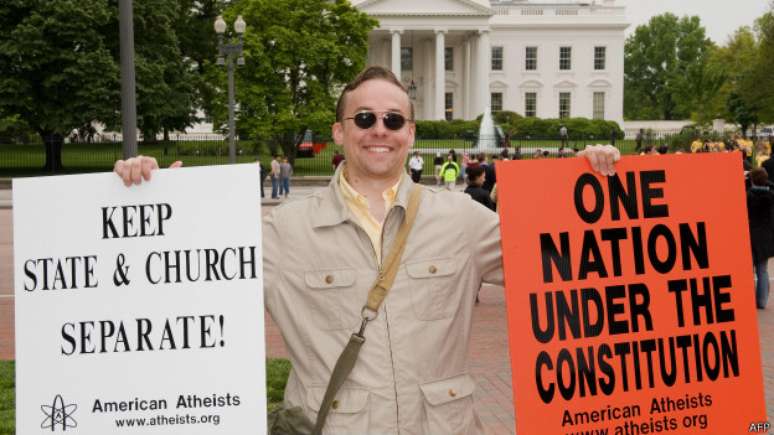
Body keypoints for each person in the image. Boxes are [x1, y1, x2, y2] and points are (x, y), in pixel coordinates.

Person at [112, 66, 620, 434]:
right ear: (340, 131)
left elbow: (572, 260)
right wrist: (152, 198)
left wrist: (586, 188)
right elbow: (174, 287)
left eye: (395, 121)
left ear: (411, 134)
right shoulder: (283, 232)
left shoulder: (462, 219)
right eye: (365, 118)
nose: (380, 130)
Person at [747, 168, 773, 309]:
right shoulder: (770, 196)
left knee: (748, 270)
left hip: (750, 236)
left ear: (752, 180)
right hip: (764, 237)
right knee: (762, 270)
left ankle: (748, 299)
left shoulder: (748, 196)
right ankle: (762, 302)